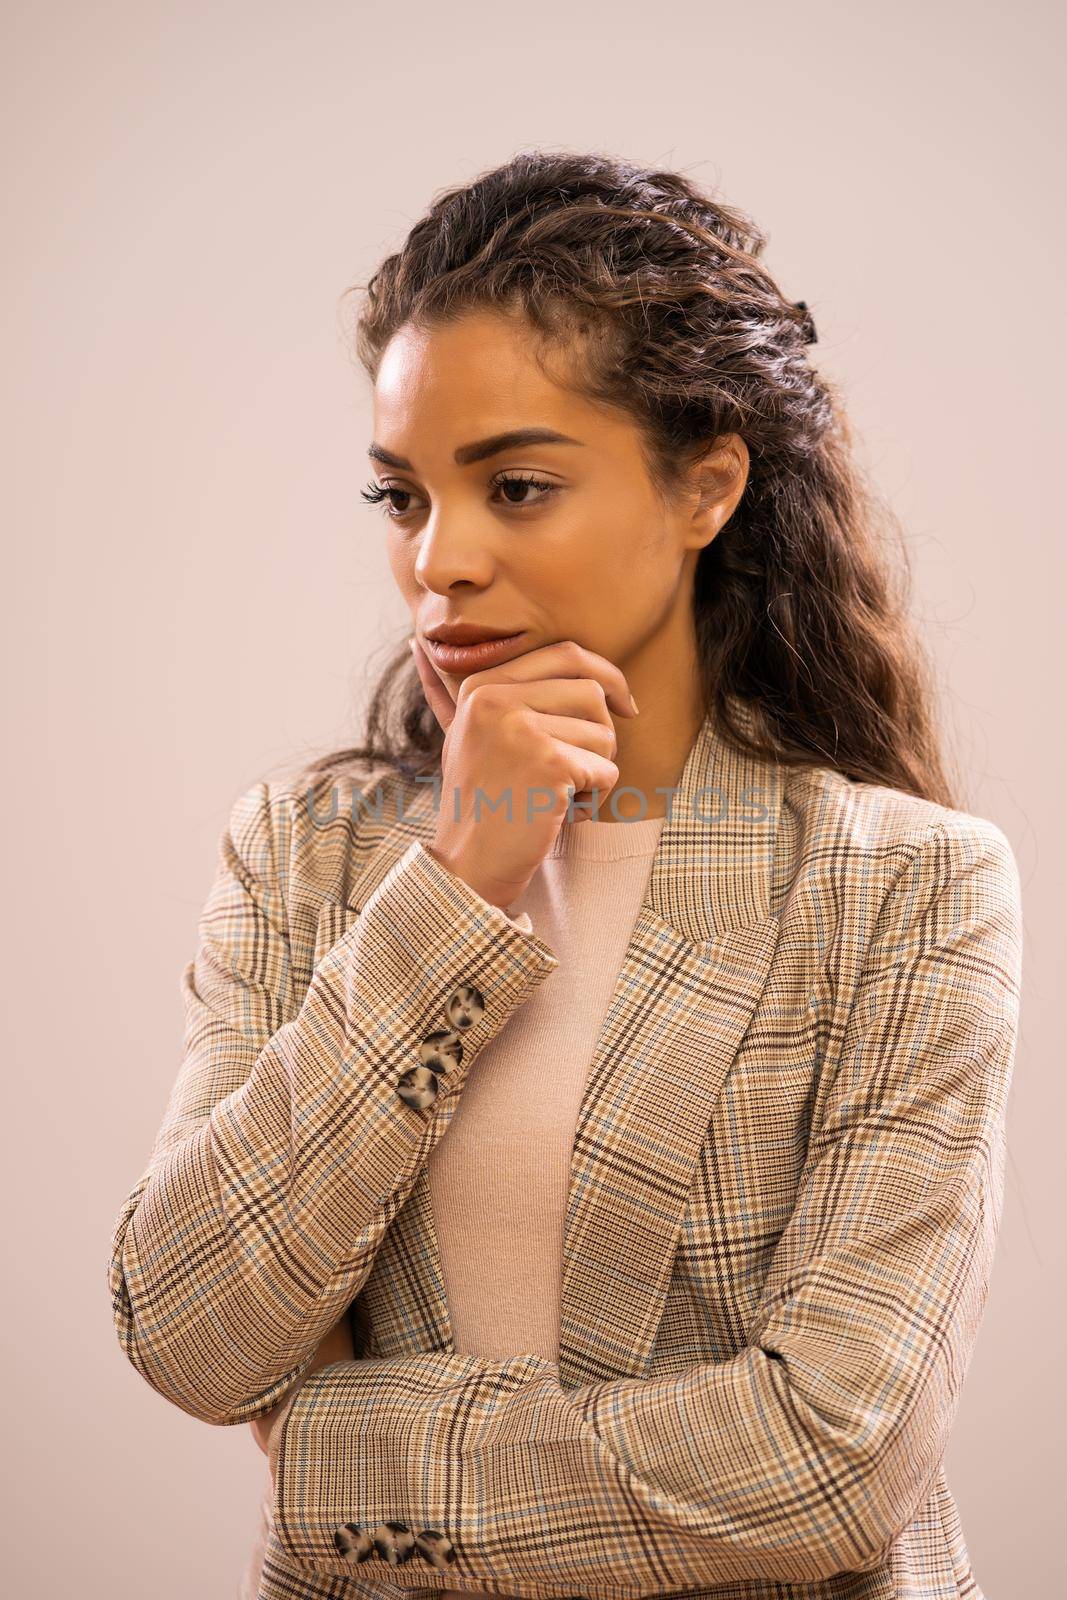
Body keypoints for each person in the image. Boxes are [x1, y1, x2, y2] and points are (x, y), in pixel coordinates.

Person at [108, 150, 1023, 1600]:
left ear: (707, 485)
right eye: (399, 499)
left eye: (517, 487)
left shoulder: (905, 889)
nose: (439, 563)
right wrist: (460, 884)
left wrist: (336, 1458)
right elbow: (190, 1329)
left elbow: (830, 1463)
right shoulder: (306, 860)